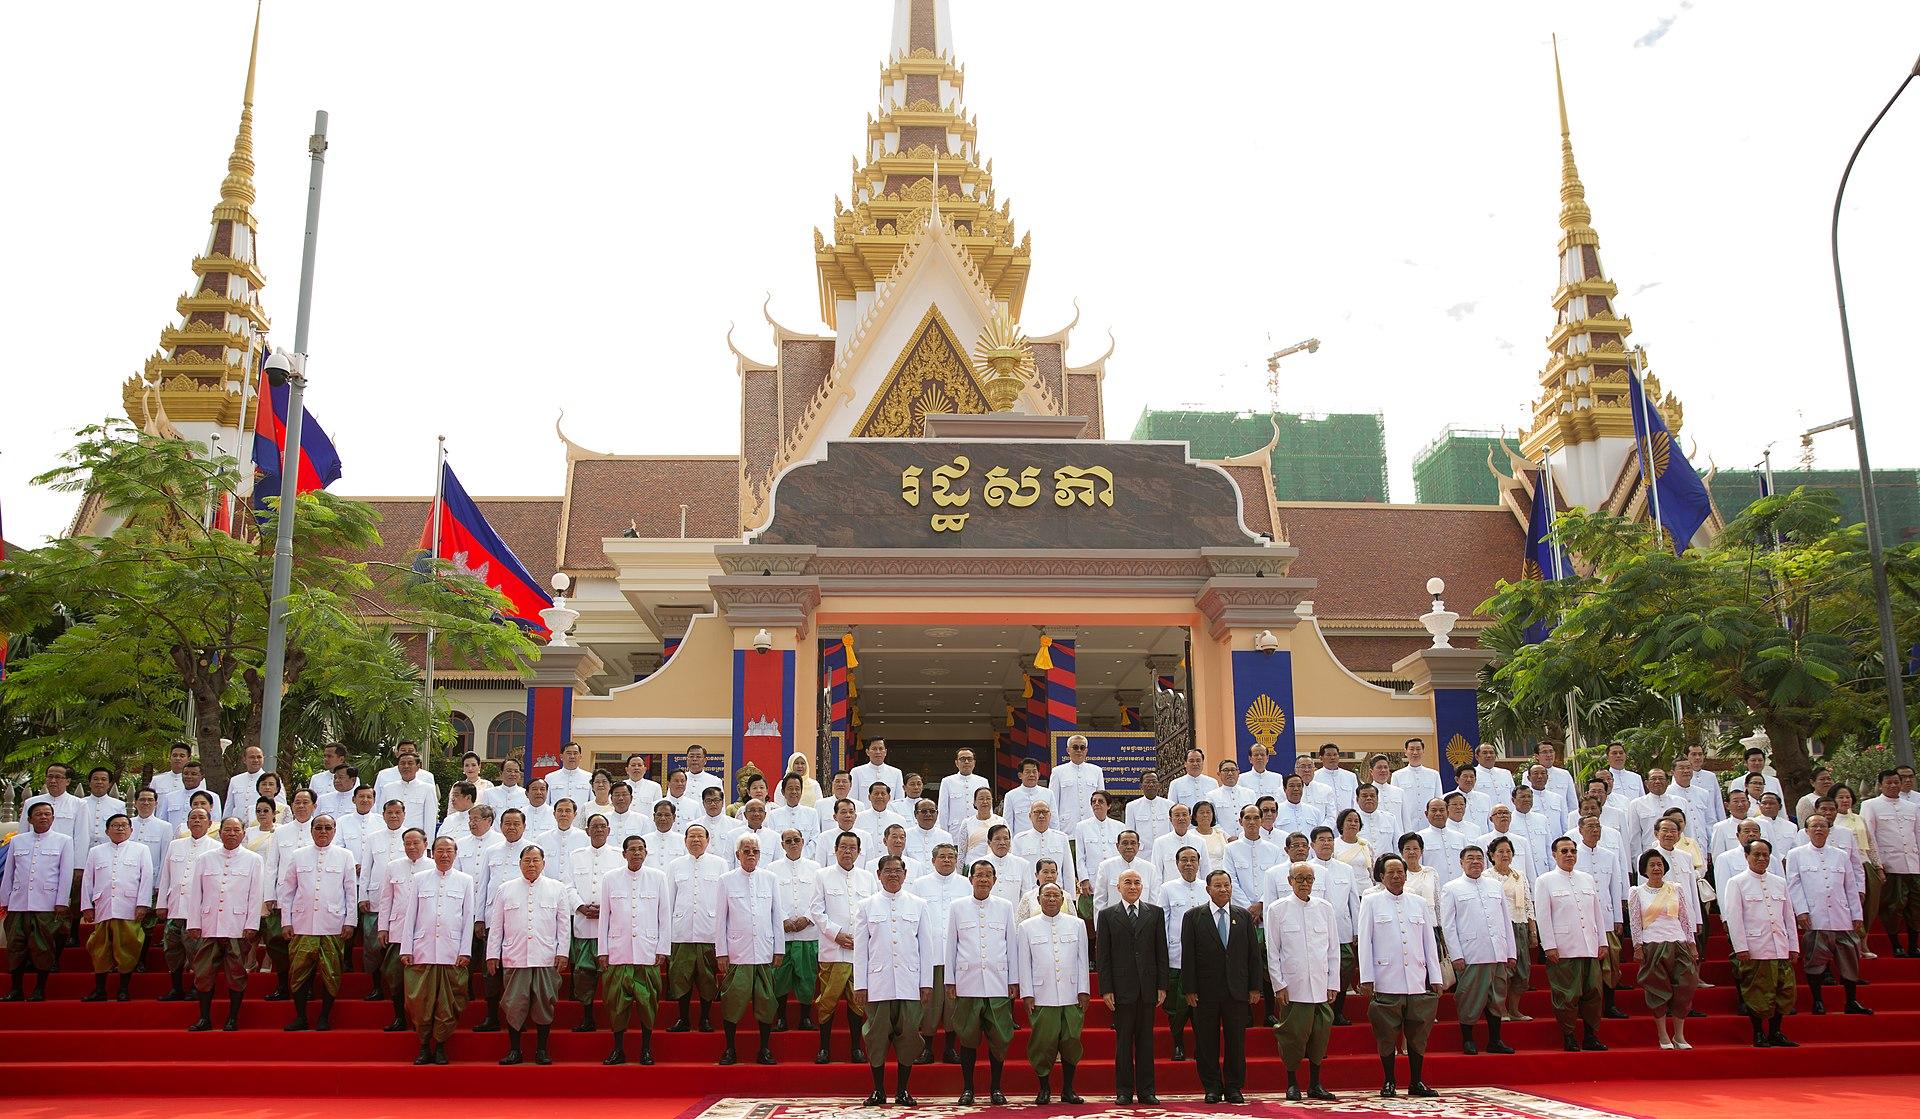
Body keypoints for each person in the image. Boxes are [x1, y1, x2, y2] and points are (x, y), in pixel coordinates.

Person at [852, 854, 936, 1106]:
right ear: (878, 875)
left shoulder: (919, 905)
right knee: (876, 1037)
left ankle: (902, 1090)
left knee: (909, 1036)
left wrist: (926, 982)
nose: (892, 875)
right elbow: (860, 948)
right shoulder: (866, 906)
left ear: (905, 874)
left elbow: (926, 947)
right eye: (887, 871)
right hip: (878, 984)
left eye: (897, 871)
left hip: (910, 983)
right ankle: (878, 1090)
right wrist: (860, 984)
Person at [1359, 853, 1442, 1098]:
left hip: (1416, 978)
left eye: (1401, 872)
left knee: (1418, 1034)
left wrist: (1435, 977)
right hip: (1386, 977)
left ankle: (1416, 1081)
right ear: (1381, 876)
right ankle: (1389, 1081)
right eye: (1391, 873)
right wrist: (1367, 977)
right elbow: (1365, 941)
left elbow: (1429, 942)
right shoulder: (1371, 902)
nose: (1397, 877)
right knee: (1386, 1034)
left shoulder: (1418, 903)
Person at [487, 844, 574, 1065]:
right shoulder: (505, 889)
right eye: (527, 860)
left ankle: (542, 1050)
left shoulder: (557, 888)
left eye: (536, 860)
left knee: (544, 1004)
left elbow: (564, 925)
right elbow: (497, 926)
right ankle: (515, 1050)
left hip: (545, 957)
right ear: (520, 864)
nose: (531, 864)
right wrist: (492, 955)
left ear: (544, 863)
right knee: (514, 1005)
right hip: (515, 957)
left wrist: (562, 952)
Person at [182, 816, 265, 1031]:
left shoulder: (253, 859)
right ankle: (204, 1018)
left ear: (243, 834)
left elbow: (256, 896)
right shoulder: (205, 858)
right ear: (219, 833)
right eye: (227, 830)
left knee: (237, 973)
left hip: (237, 926)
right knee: (203, 973)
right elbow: (195, 894)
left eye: (236, 830)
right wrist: (194, 922)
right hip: (209, 925)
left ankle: (233, 1018)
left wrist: (252, 925)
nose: (231, 834)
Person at [1181, 869, 1258, 1104]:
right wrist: (1189, 988)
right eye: (1218, 886)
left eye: (1227, 885)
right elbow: (1189, 955)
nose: (1223, 889)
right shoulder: (1193, 916)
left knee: (1236, 1042)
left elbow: (1253, 955)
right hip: (1205, 992)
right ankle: (1212, 1087)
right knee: (1206, 1042)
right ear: (1208, 889)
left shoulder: (1243, 917)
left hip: (1236, 990)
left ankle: (1234, 1086)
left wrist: (1254, 987)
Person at [397, 835, 475, 1065]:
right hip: (422, 951)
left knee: (447, 1004)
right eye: (440, 850)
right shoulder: (420, 879)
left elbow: (468, 918)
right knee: (420, 1002)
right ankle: (423, 1046)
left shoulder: (465, 880)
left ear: (456, 854)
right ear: (432, 853)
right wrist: (406, 948)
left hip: (452, 953)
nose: (444, 855)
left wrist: (465, 951)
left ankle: (440, 1045)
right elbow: (410, 914)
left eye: (449, 851)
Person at [277, 815, 357, 1032]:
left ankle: (324, 1017)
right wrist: (286, 921)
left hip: (332, 924)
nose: (323, 831)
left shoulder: (345, 856)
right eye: (319, 827)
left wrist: (350, 921)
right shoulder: (298, 855)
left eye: (328, 828)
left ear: (334, 830)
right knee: (299, 972)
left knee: (331, 973)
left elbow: (351, 891)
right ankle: (301, 1016)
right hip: (302, 924)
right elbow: (287, 891)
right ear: (311, 830)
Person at [1267, 862, 1339, 1102]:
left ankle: (1316, 1084)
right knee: (1292, 1038)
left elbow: (1333, 949)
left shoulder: (1325, 908)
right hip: (1293, 987)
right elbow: (1273, 951)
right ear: (1289, 881)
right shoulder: (1277, 909)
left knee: (1320, 1037)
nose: (1305, 883)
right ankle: (1292, 1083)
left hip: (1320, 985)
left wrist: (1333, 983)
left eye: (1309, 878)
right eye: (1299, 878)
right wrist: (1278, 984)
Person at [598, 834, 672, 1066]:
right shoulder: (610, 879)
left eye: (641, 849)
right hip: (618, 951)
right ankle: (618, 1049)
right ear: (624, 854)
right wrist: (603, 950)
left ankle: (646, 1049)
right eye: (632, 850)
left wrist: (663, 948)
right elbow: (604, 919)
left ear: (646, 852)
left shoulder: (658, 878)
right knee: (616, 1003)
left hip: (647, 952)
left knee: (648, 1002)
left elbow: (664, 916)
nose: (637, 853)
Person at [947, 859, 1016, 1105]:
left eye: (988, 875)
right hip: (968, 982)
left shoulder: (1006, 906)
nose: (984, 879)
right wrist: (950, 980)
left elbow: (1011, 945)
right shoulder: (957, 907)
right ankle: (968, 1089)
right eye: (979, 875)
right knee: (967, 1037)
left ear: (995, 880)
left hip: (998, 982)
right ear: (970, 879)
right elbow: (951, 946)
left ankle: (996, 1088)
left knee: (999, 1038)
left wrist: (1014, 979)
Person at [1096, 869, 1167, 1104]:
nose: (1133, 886)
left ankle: (1147, 1091)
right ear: (1118, 887)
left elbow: (1161, 952)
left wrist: (1162, 985)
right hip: (1121, 989)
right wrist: (1106, 989)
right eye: (1128, 882)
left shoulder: (1155, 913)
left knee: (1146, 1042)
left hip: (1148, 988)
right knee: (1123, 1043)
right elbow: (1103, 956)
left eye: (1137, 882)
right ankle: (1124, 1091)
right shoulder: (1107, 915)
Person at [1016, 881, 1090, 1105]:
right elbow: (1024, 963)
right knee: (1043, 1043)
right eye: (1046, 895)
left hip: (1071, 993)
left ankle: (1068, 1088)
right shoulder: (1027, 927)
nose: (1051, 899)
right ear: (1038, 900)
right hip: (1042, 994)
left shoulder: (1077, 924)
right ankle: (1044, 1088)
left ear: (1063, 899)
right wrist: (1027, 993)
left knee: (1071, 1040)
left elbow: (1082, 959)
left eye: (1055, 895)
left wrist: (1084, 990)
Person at [715, 833, 786, 1065]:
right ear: (738, 855)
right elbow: (720, 920)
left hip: (764, 950)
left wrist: (779, 949)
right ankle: (729, 1048)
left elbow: (777, 915)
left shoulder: (771, 878)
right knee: (733, 1002)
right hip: (738, 952)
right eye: (746, 851)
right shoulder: (726, 880)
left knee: (765, 1003)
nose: (751, 855)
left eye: (755, 851)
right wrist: (721, 952)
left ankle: (764, 1048)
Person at [1790, 814, 1871, 1015]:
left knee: (1849, 959)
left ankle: (1851, 1001)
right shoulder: (1796, 854)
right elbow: (1794, 885)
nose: (1819, 829)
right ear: (1806, 831)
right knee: (1814, 961)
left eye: (1823, 826)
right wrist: (1801, 910)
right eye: (1814, 826)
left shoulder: (1840, 855)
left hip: (1841, 916)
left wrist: (1856, 914)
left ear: (1828, 829)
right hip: (1815, 917)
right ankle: (1817, 1000)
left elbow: (1850, 886)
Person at [1723, 837, 1799, 1047]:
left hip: (1779, 946)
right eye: (1756, 854)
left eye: (1765, 854)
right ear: (1746, 856)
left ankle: (1776, 1032)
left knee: (1783, 991)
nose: (1761, 858)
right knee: (1757, 992)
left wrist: (1793, 946)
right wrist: (1741, 947)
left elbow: (1788, 917)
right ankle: (1758, 1033)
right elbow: (1734, 918)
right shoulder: (1737, 882)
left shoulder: (1779, 882)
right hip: (1755, 947)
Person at [1442, 845, 1517, 1055]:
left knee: (1497, 997)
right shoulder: (1452, 888)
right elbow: (1448, 925)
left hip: (1497, 952)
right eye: (1470, 858)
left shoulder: (1495, 885)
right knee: (1470, 998)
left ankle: (1495, 1040)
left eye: (1478, 858)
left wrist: (1510, 952)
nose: (1475, 862)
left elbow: (1505, 919)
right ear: (1461, 862)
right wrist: (1456, 954)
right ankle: (1468, 1039)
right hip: (1471, 953)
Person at [1536, 836, 1608, 1052]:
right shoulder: (1545, 880)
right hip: (1564, 947)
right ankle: (1568, 1035)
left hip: (1589, 945)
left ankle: (1590, 1035)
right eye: (1564, 851)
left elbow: (1597, 912)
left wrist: (1602, 941)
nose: (1569, 855)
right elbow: (1543, 916)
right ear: (1554, 854)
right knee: (1566, 995)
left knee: (1594, 992)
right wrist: (1549, 945)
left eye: (1573, 851)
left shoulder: (1586, 878)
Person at [811, 830, 875, 1063]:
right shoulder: (822, 875)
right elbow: (816, 911)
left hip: (859, 950)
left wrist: (861, 936)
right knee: (827, 1000)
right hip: (833, 950)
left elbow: (873, 911)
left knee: (858, 1002)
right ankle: (824, 1048)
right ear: (835, 850)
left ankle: (856, 1048)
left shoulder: (868, 878)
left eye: (852, 848)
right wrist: (836, 934)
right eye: (843, 847)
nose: (847, 852)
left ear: (858, 852)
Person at [0, 801, 75, 1001]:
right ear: (30, 819)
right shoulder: (17, 841)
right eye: (39, 814)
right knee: (16, 946)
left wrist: (61, 901)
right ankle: (16, 989)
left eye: (47, 814)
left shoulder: (64, 840)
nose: (43, 817)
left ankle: (39, 989)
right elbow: (9, 873)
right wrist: (4, 899)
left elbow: (65, 873)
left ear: (53, 818)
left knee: (43, 947)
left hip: (47, 903)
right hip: (18, 902)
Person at [78, 812, 153, 1003]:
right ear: (107, 830)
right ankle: (100, 989)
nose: (120, 828)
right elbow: (87, 880)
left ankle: (123, 989)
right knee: (100, 949)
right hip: (103, 906)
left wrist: (143, 904)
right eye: (115, 825)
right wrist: (87, 905)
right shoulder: (96, 852)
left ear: (131, 829)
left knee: (127, 948)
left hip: (128, 907)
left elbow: (146, 879)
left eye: (123, 825)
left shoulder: (141, 850)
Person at [1629, 848, 1699, 1050]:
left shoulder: (1675, 888)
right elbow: (1635, 922)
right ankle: (1663, 1035)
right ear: (1644, 869)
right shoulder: (1637, 892)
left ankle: (1679, 1035)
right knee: (1657, 990)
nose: (1656, 868)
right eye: (1652, 865)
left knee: (1685, 987)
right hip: (1652, 945)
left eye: (1659, 864)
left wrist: (1691, 943)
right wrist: (1637, 946)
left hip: (1678, 942)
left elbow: (1685, 918)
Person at [666, 823, 726, 1033]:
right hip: (681, 932)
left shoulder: (720, 864)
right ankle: (683, 1018)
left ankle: (705, 1018)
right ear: (685, 841)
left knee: (707, 978)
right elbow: (668, 902)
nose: (696, 840)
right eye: (691, 836)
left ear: (708, 841)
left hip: (708, 932)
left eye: (701, 836)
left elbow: (724, 902)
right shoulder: (675, 865)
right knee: (680, 977)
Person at [911, 844, 968, 1064]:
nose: (947, 860)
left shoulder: (965, 885)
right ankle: (926, 1049)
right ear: (933, 860)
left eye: (951, 857)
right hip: (930, 954)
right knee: (930, 1005)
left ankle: (950, 1048)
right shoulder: (920, 885)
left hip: (957, 955)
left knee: (954, 1004)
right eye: (942, 857)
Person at [566, 814, 622, 1032]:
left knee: (610, 975)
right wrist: (580, 906)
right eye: (594, 827)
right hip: (583, 924)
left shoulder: (618, 856)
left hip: (609, 926)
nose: (598, 830)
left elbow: (622, 888)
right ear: (587, 831)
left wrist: (606, 909)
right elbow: (568, 887)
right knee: (584, 974)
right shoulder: (575, 856)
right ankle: (587, 1016)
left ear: (609, 830)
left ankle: (613, 1017)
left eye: (602, 827)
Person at [1864, 768, 1920, 957]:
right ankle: (1896, 944)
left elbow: (1917, 835)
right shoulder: (1871, 805)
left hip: (1913, 863)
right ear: (1881, 785)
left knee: (1915, 906)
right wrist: (1878, 865)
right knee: (1893, 906)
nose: (1894, 785)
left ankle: (1914, 945)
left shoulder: (1911, 807)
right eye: (1889, 782)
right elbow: (1870, 837)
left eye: (1897, 782)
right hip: (1890, 863)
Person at [769, 828, 821, 1031]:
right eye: (788, 840)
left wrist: (807, 918)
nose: (793, 843)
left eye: (796, 840)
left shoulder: (816, 868)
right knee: (780, 977)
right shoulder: (772, 869)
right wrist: (782, 919)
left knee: (807, 977)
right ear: (782, 845)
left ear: (803, 842)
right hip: (783, 934)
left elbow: (819, 898)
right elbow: (770, 898)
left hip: (808, 933)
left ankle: (805, 1018)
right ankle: (781, 1017)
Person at [1486, 836, 1536, 1022]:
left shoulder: (1519, 875)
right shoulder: (1486, 877)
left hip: (1519, 924)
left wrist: (1532, 930)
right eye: (1500, 851)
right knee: (1502, 970)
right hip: (1499, 928)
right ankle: (1501, 1009)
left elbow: (1528, 903)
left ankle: (1514, 1009)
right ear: (1491, 855)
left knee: (1522, 970)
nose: (1505, 855)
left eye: (1508, 851)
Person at [1051, 734, 1106, 836]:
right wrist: (1055, 830)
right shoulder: (1058, 772)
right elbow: (1053, 803)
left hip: (1091, 827)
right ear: (1068, 750)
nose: (1079, 750)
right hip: (1067, 828)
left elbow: (1102, 801)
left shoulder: (1096, 771)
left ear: (1086, 750)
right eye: (1075, 747)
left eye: (1082, 747)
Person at [849, 739, 906, 806]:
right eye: (874, 749)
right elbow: (852, 799)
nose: (878, 752)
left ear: (885, 752)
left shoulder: (896, 773)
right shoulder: (856, 772)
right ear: (867, 752)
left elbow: (899, 800)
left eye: (881, 749)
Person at [543, 743, 595, 811]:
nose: (572, 756)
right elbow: (545, 804)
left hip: (581, 820)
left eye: (575, 753)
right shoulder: (550, 778)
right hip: (556, 820)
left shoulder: (589, 777)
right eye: (569, 753)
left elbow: (592, 803)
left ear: (580, 757)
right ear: (561, 756)